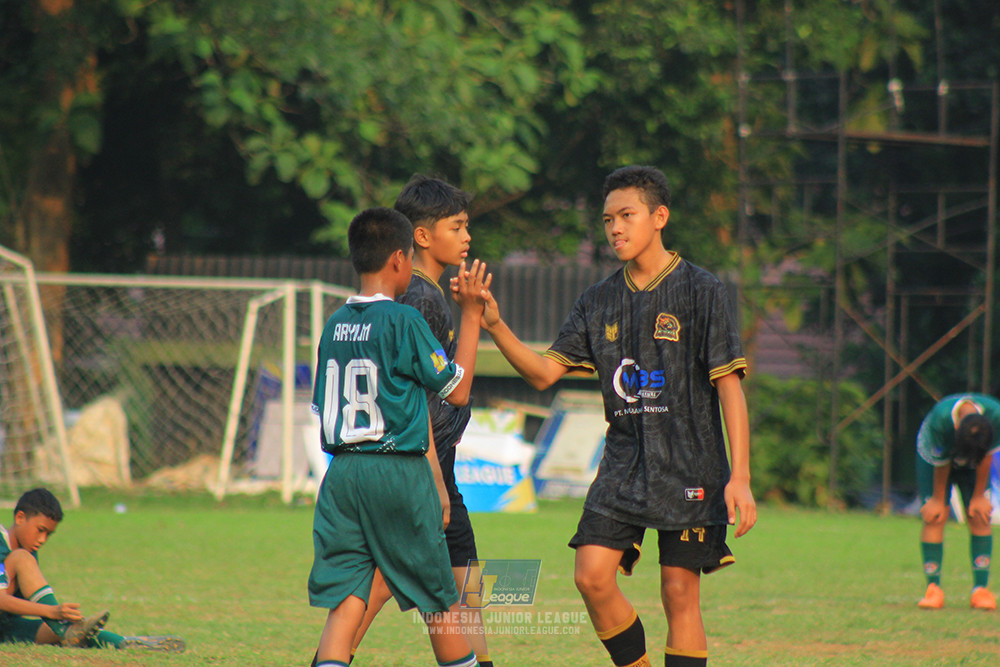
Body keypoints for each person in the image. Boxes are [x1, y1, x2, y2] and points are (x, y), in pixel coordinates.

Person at [469, 165, 757, 667]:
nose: (615, 229)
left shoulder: (701, 289)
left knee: (678, 592)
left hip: (691, 468)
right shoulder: (598, 299)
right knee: (591, 576)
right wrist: (495, 324)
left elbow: (729, 388)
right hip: (623, 467)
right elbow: (543, 373)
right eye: (608, 220)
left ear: (659, 217)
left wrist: (741, 477)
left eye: (627, 216)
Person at [308, 206, 490, 667]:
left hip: (342, 475)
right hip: (396, 473)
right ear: (398, 259)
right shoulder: (404, 320)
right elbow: (457, 391)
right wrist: (471, 316)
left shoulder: (333, 324)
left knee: (347, 600)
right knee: (440, 603)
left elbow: (325, 407)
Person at [0, 487, 185, 652]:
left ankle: (123, 643)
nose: (42, 539)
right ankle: (62, 626)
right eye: (40, 530)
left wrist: (54, 615)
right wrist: (52, 612)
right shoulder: (8, 546)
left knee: (63, 632)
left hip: (6, 628)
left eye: (48, 534)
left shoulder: (30, 551)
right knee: (22, 559)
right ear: (20, 518)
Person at [915, 393, 1000, 611]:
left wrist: (979, 496)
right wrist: (937, 500)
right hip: (934, 461)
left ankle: (980, 590)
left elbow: (987, 455)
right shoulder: (941, 419)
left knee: (980, 515)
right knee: (935, 516)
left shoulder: (996, 415)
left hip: (975, 463)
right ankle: (933, 589)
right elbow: (941, 462)